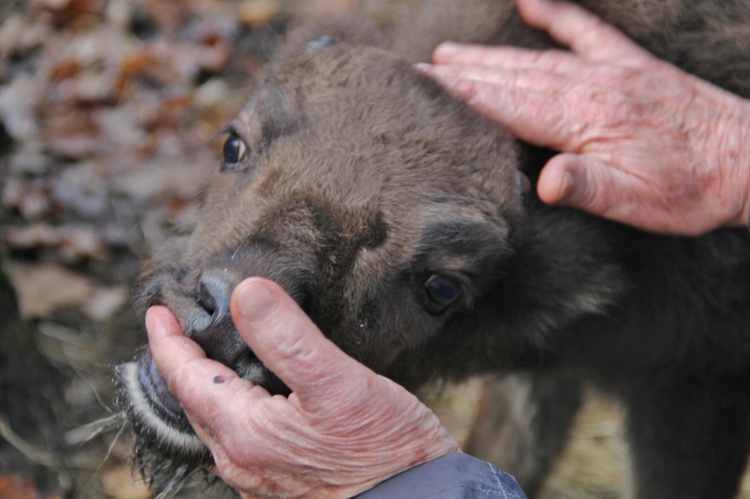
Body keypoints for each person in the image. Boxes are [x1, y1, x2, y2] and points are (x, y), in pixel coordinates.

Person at [146, 0, 750, 496]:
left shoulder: (672, 291)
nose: (235, 310)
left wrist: (733, 157)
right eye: (236, 152)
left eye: (437, 289)